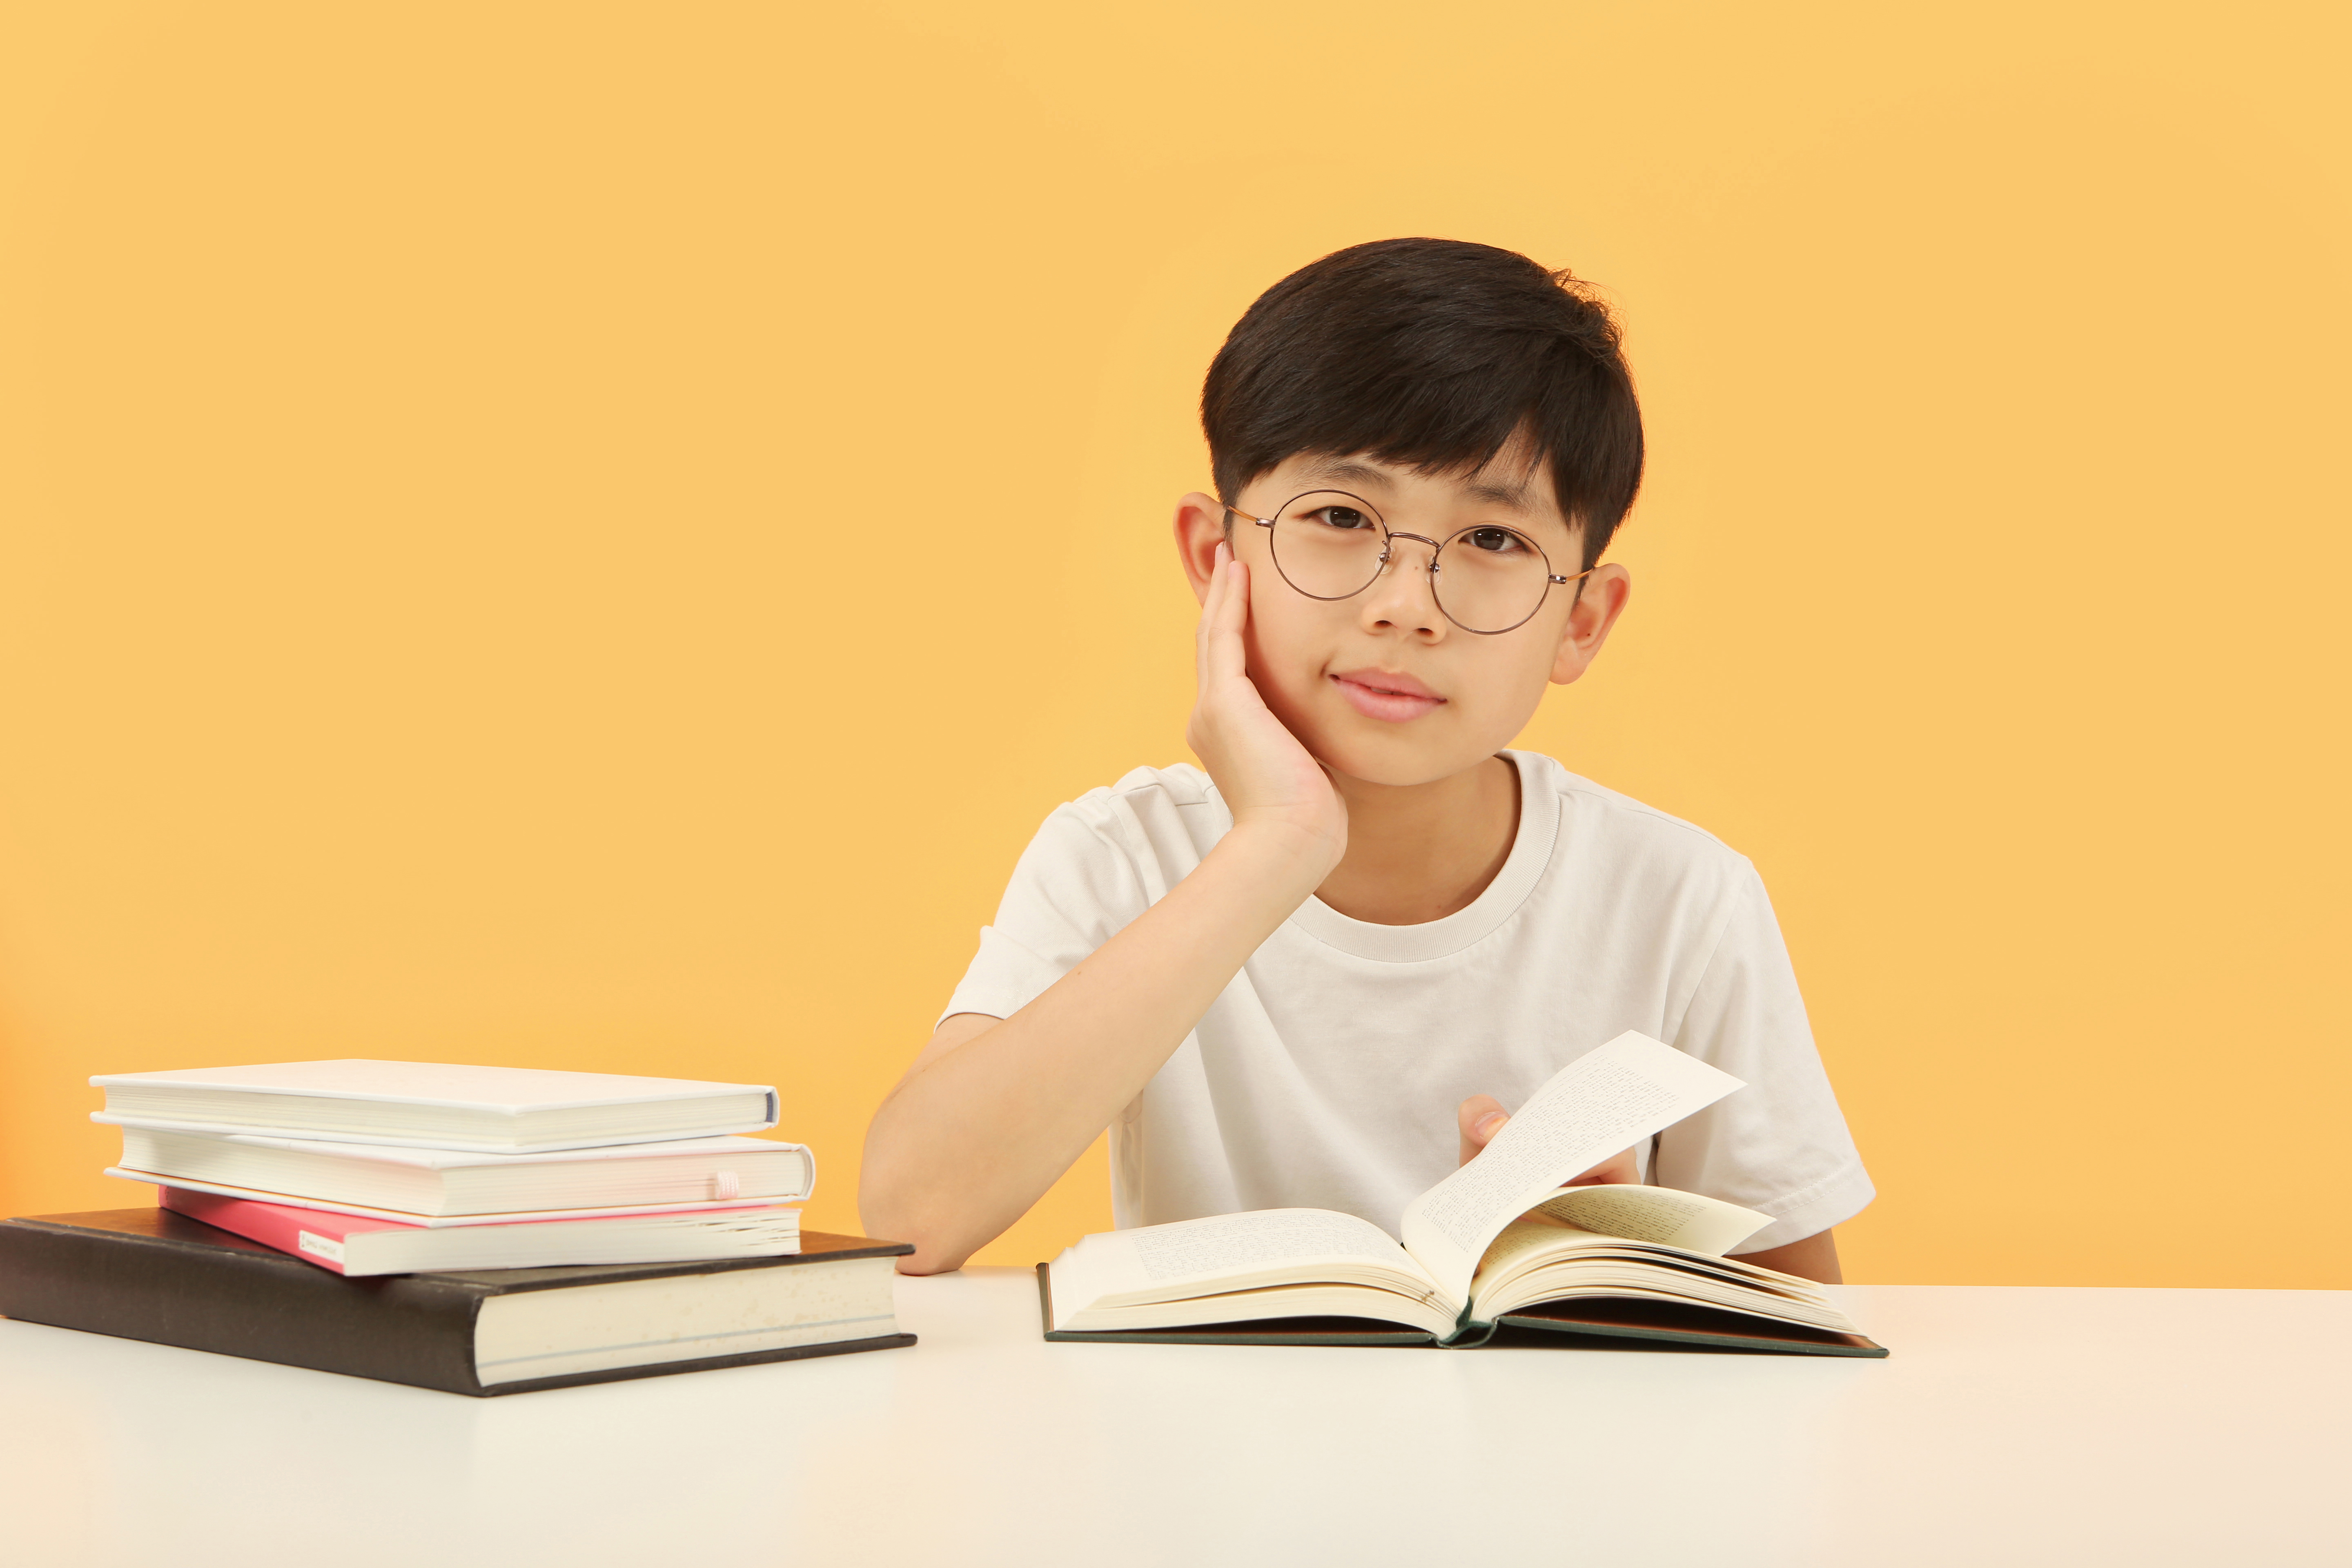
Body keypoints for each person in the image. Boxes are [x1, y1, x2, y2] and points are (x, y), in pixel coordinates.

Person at [860, 238, 1872, 1280]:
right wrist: (1278, 845)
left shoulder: (1678, 899)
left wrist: (1624, 1260)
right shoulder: (1123, 857)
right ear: (1218, 562)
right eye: (1341, 518)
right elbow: (914, 1216)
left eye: (1493, 542)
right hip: (1198, 1444)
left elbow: (1805, 1321)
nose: (1404, 607)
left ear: (1582, 619)